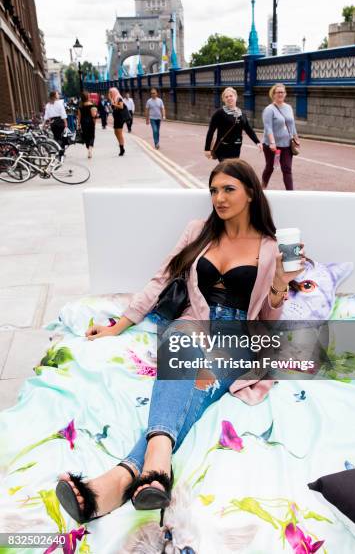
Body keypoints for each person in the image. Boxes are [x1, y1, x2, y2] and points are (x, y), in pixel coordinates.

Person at [55, 159, 305, 526]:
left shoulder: (271, 247)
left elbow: (268, 320)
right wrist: (120, 324)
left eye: (228, 189)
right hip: (193, 324)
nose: (219, 198)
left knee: (197, 389)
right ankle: (157, 467)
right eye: (214, 190)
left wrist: (281, 283)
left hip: (238, 337)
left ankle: (117, 481)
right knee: (178, 347)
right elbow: (161, 279)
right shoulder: (198, 231)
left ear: (251, 192)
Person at [204, 87, 261, 162]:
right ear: (223, 100)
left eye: (231, 96)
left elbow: (248, 129)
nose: (229, 98)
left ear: (236, 97)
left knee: (232, 171)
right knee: (227, 170)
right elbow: (211, 131)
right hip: (223, 148)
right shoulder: (219, 113)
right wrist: (207, 149)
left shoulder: (241, 114)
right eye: (226, 97)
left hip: (236, 147)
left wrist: (257, 142)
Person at [261, 83, 299, 190]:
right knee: (270, 167)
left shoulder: (289, 108)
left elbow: (292, 125)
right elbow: (268, 127)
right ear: (273, 94)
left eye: (282, 92)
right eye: (278, 92)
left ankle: (290, 192)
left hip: (287, 144)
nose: (280, 94)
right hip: (272, 146)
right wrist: (272, 142)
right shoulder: (269, 109)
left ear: (285, 94)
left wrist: (296, 139)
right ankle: (263, 187)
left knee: (287, 168)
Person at [77, 91, 97, 158]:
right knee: (92, 136)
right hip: (90, 122)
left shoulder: (80, 107)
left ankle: (88, 149)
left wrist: (78, 125)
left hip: (83, 123)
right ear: (88, 97)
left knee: (86, 137)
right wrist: (94, 123)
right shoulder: (92, 105)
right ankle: (90, 150)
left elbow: (79, 117)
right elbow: (93, 115)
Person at [109, 87, 126, 156]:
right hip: (116, 118)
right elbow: (113, 108)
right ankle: (121, 145)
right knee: (116, 132)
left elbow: (121, 107)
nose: (110, 94)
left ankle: (122, 148)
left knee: (119, 132)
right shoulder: (114, 99)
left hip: (120, 118)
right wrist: (111, 99)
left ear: (114, 92)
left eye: (111, 92)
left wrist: (114, 104)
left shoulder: (119, 98)